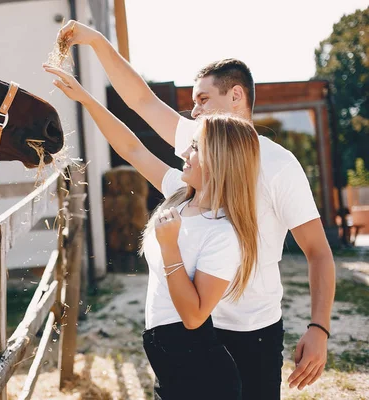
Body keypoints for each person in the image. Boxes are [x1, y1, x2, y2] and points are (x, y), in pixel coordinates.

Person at [45, 20, 336, 400]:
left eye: (202, 100)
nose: (192, 111)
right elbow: (140, 105)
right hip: (189, 330)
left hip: (250, 328)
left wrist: (320, 328)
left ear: (235, 96)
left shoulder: (279, 167)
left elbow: (318, 251)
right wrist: (96, 43)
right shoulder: (198, 154)